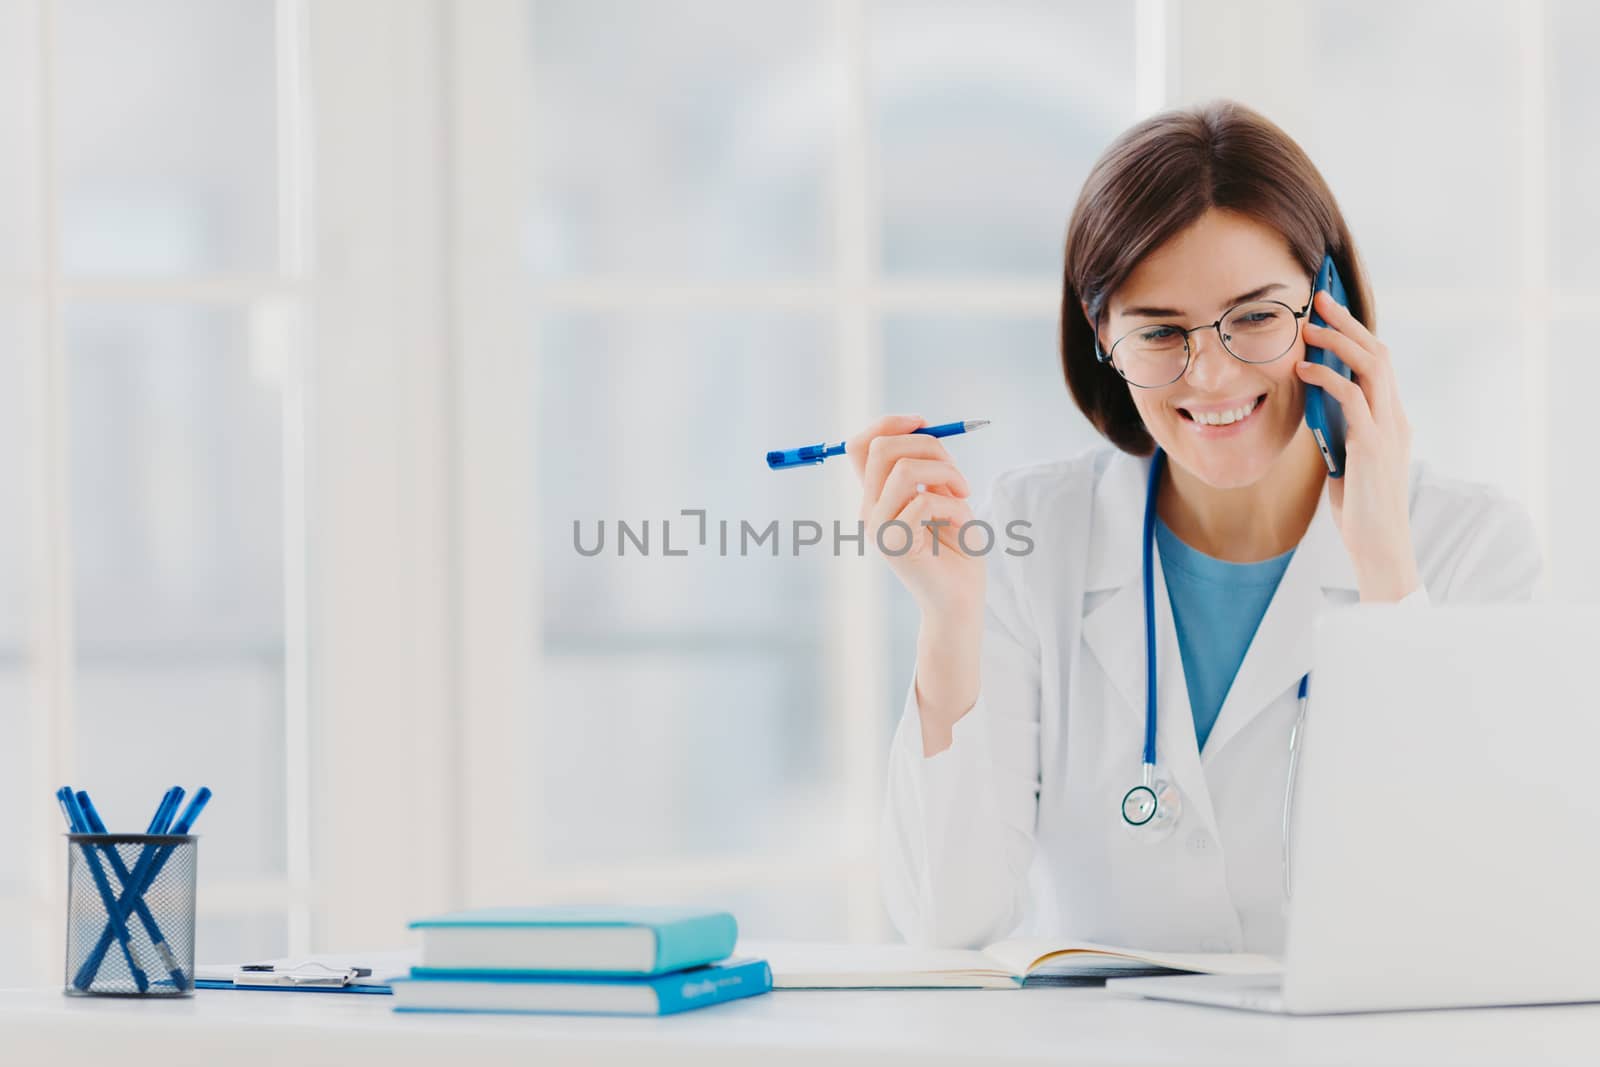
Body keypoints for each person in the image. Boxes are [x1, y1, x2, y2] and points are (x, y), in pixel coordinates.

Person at [853, 100, 1541, 954]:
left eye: (1255, 316)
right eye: (1159, 332)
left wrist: (1387, 569)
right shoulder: (1034, 535)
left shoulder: (1472, 546)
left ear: (1329, 309)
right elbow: (945, 920)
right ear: (1101, 335)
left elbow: (1480, 906)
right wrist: (949, 620)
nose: (1210, 374)